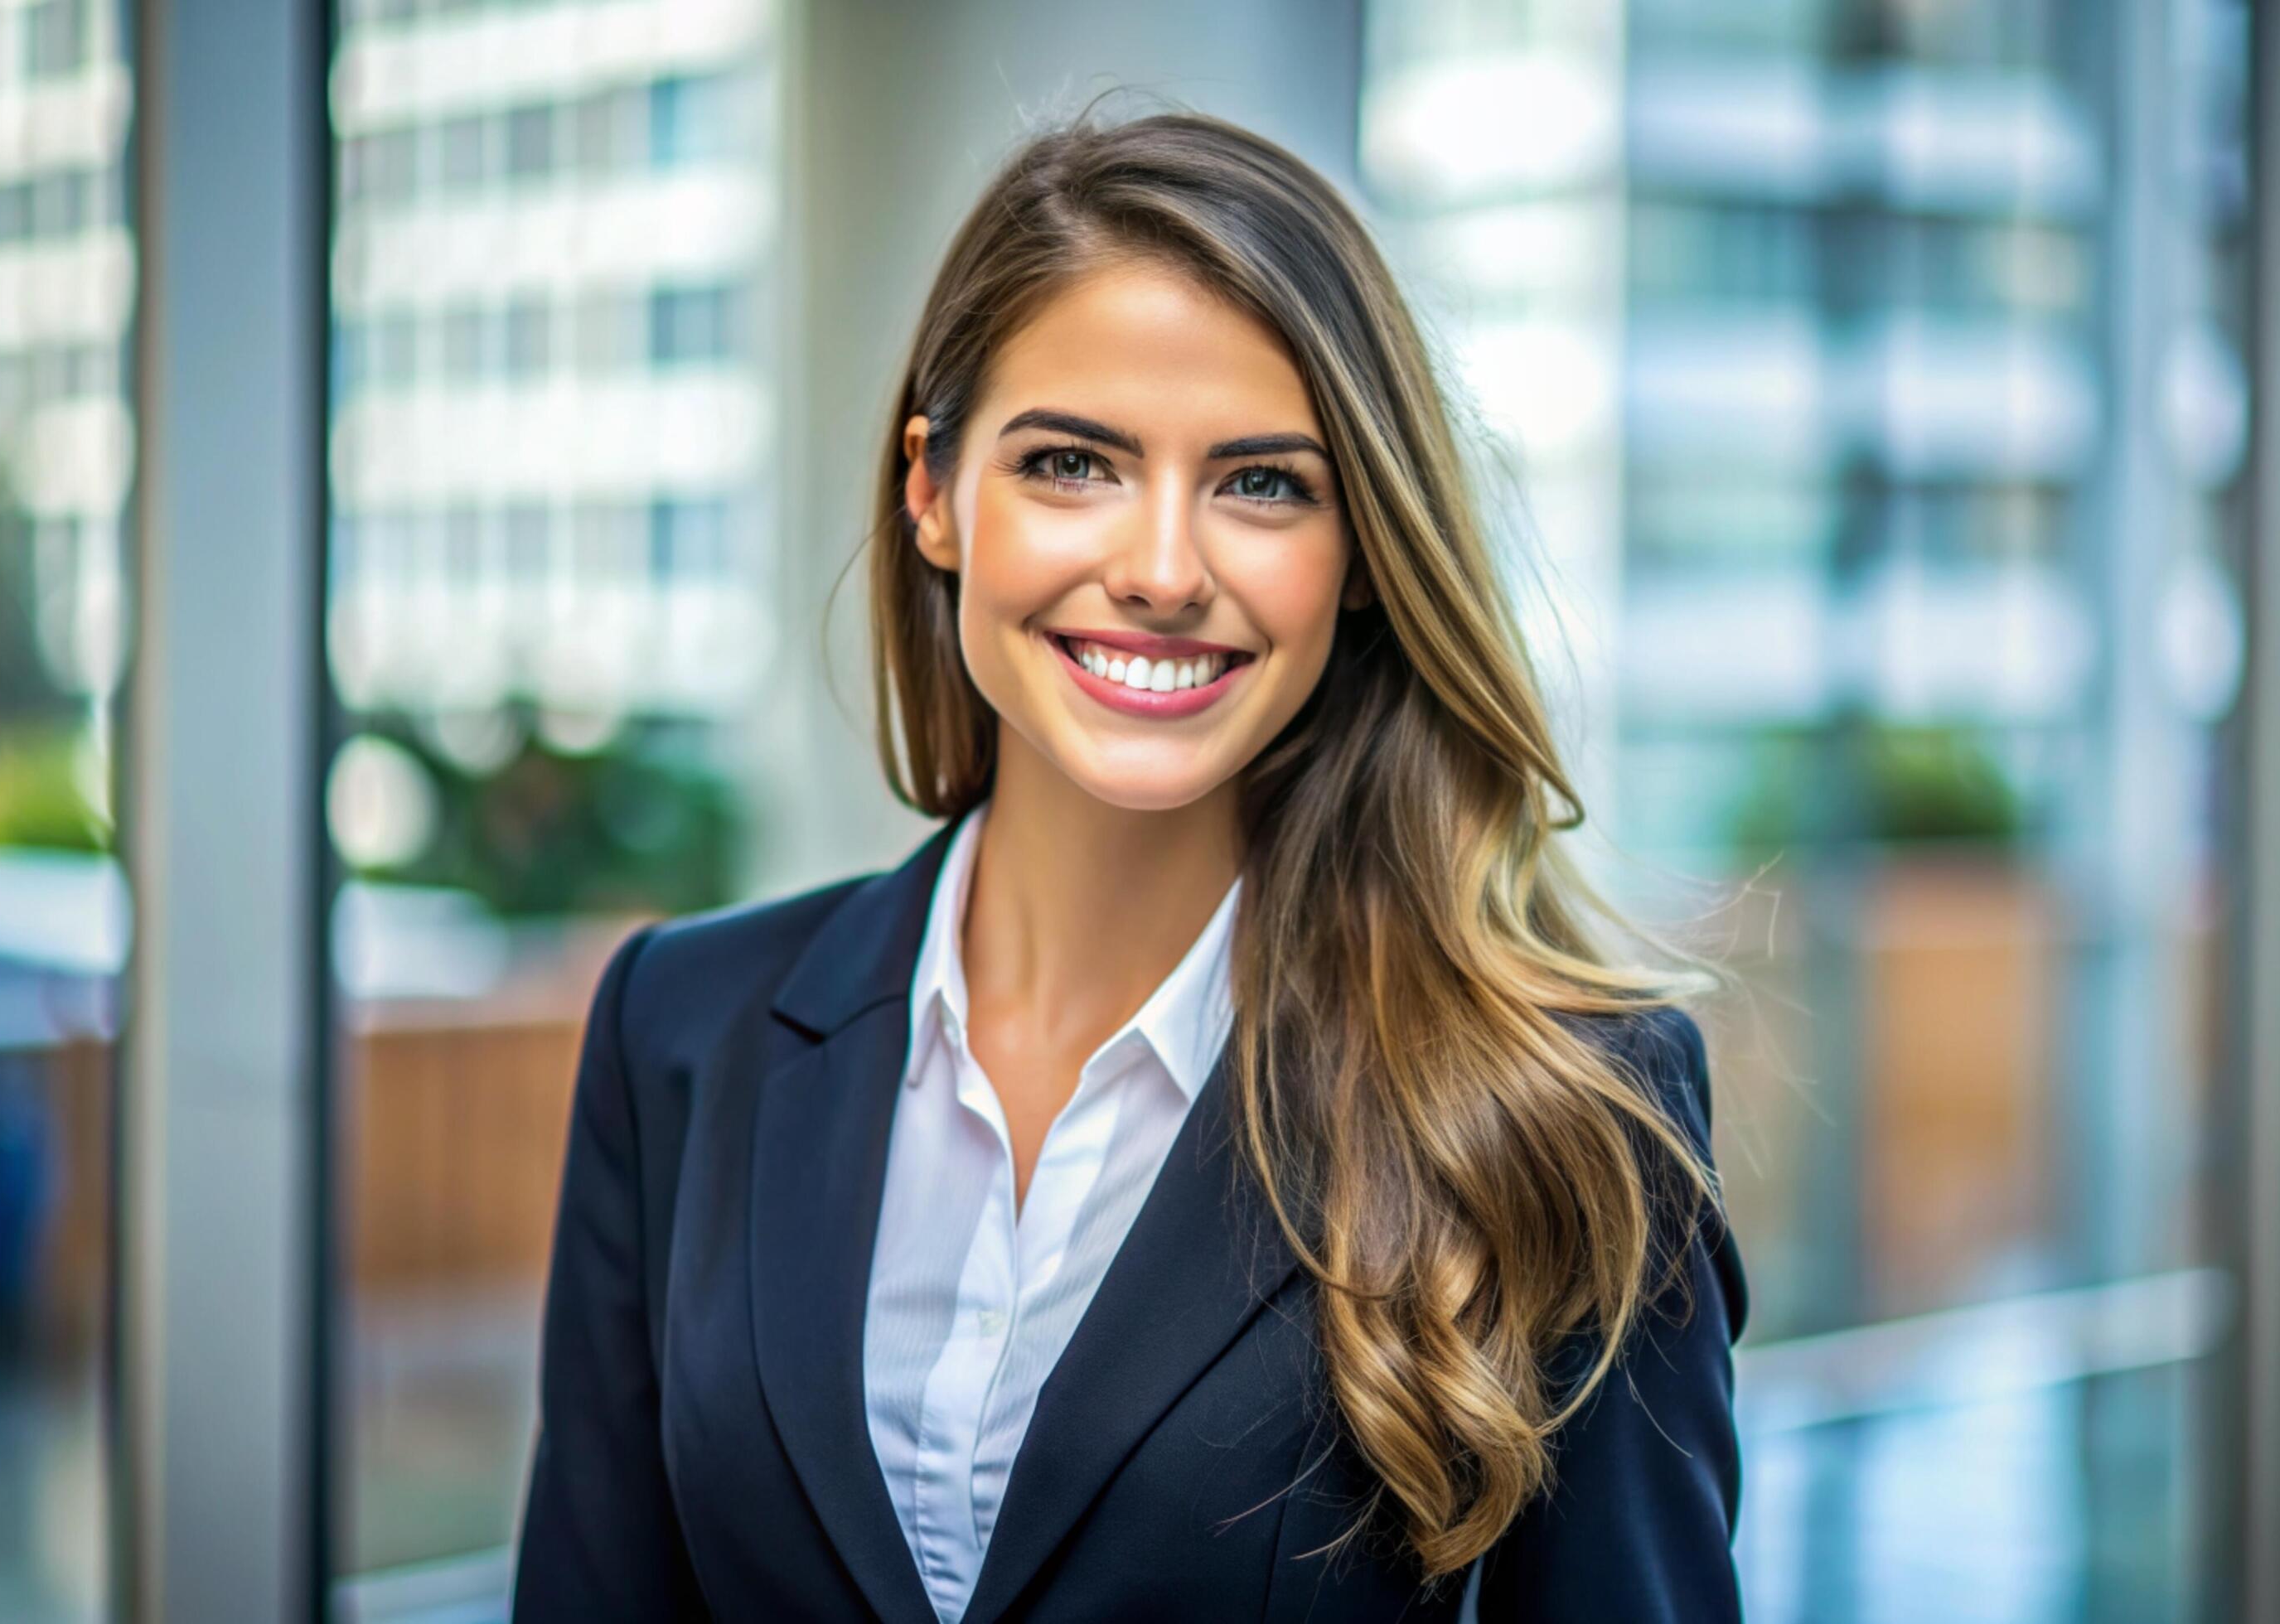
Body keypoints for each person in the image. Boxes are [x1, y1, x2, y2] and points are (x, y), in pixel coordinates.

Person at [512, 106, 1747, 1624]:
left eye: (1262, 484)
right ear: (935, 493)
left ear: (1360, 552)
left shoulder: (1566, 1102)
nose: (1164, 570)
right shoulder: (679, 1028)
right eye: (1074, 462)